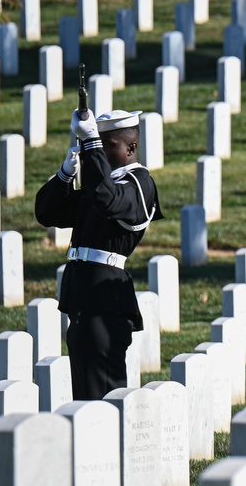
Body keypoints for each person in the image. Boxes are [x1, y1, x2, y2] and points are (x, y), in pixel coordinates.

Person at [34, 108, 163, 401]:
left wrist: (91, 143)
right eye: (96, 145)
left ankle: (110, 447)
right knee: (84, 392)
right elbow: (46, 212)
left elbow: (108, 200)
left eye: (107, 145)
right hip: (82, 295)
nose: (99, 153)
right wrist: (65, 175)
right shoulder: (102, 186)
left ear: (131, 147)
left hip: (106, 302)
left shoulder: (139, 183)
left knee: (103, 392)